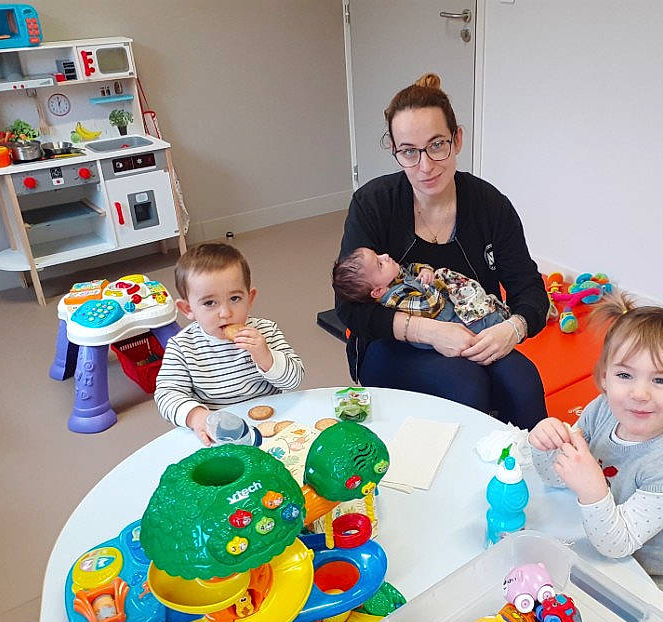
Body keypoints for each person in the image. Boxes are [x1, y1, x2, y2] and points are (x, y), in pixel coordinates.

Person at [334, 73, 549, 428]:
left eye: (437, 145)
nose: (425, 166)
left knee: (523, 383)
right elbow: (348, 307)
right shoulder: (373, 203)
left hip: (473, 332)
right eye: (409, 151)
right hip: (393, 342)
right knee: (465, 385)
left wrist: (512, 329)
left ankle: (535, 460)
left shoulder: (490, 205)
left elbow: (529, 289)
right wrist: (429, 332)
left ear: (457, 139)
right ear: (396, 151)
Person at [529, 293, 663, 609]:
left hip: (654, 592)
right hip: (598, 554)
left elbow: (616, 545)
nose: (639, 393)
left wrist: (592, 489)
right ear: (605, 377)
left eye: (660, 380)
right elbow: (555, 478)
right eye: (625, 375)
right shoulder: (604, 409)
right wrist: (546, 444)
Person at [155, 243, 304, 445]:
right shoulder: (182, 347)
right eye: (209, 303)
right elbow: (167, 394)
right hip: (220, 434)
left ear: (250, 299)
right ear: (188, 309)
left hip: (272, 425)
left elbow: (294, 380)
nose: (225, 313)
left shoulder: (265, 331)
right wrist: (196, 416)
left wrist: (266, 358)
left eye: (234, 298)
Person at [332, 247, 510, 350]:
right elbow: (429, 306)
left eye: (378, 254)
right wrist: (431, 284)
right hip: (443, 320)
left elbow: (411, 268)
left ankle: (489, 307)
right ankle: (495, 320)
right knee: (476, 324)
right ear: (378, 291)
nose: (385, 256)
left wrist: (424, 270)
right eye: (380, 264)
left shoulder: (392, 277)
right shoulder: (395, 297)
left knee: (461, 289)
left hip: (445, 305)